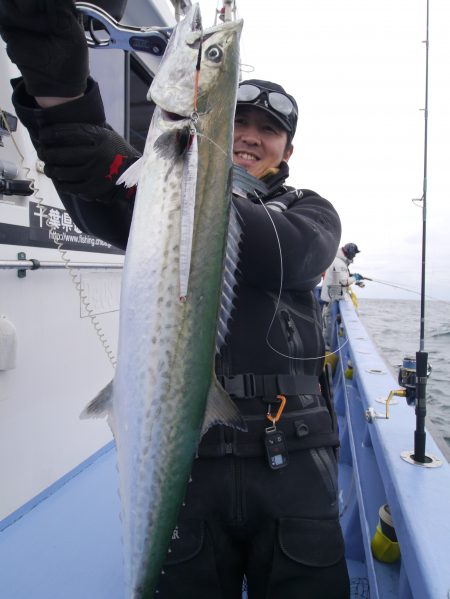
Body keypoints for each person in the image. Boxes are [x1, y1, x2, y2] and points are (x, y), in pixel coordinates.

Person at [0, 1, 350, 597]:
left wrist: (171, 177)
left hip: (295, 457)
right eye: (237, 120)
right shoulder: (161, 187)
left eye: (269, 130)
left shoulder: (310, 213)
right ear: (212, 120)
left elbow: (293, 253)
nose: (248, 136)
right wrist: (55, 85)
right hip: (191, 459)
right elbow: (88, 172)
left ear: (286, 152)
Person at [320, 243, 364, 348]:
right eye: (354, 254)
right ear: (350, 253)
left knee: (327, 324)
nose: (354, 256)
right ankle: (325, 349)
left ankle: (326, 346)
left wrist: (352, 276)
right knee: (327, 326)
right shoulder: (339, 263)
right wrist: (356, 278)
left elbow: (342, 277)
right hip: (331, 298)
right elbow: (344, 281)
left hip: (331, 296)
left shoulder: (338, 261)